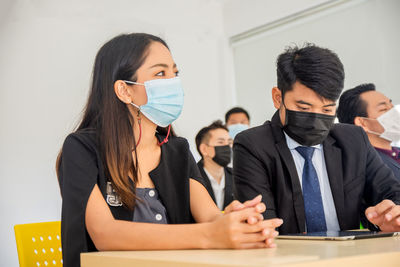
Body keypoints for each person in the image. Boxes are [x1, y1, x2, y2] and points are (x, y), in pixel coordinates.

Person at [56, 33, 282, 267]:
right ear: (125, 90)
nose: (173, 82)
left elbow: (211, 217)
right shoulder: (81, 148)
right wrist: (211, 234)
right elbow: (105, 234)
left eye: (175, 73)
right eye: (160, 73)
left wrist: (237, 221)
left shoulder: (177, 150)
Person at [233, 43, 400, 235]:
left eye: (327, 110)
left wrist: (390, 215)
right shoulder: (252, 146)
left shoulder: (353, 140)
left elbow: (392, 192)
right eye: (304, 108)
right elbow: (263, 223)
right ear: (278, 98)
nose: (315, 119)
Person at [337, 84, 400, 180]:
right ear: (362, 123)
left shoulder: (396, 151)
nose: (394, 113)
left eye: (392, 106)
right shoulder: (363, 165)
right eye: (384, 109)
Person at [195, 120, 235, 210]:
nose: (227, 147)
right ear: (204, 149)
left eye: (229, 143)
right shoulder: (191, 179)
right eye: (220, 142)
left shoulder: (237, 176)